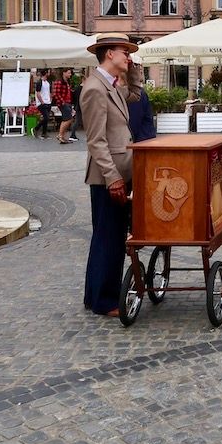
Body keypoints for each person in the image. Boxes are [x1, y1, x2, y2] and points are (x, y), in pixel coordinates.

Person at [80, 32, 143, 317]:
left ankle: (95, 295)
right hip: (109, 175)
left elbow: (134, 96)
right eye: (124, 52)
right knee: (108, 236)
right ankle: (105, 301)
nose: (128, 57)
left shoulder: (111, 86)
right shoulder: (94, 88)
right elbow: (95, 141)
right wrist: (113, 177)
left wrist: (135, 71)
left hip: (119, 171)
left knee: (110, 235)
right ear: (109, 54)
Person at [52, 68, 75, 144]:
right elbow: (56, 94)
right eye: (68, 73)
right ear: (64, 73)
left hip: (67, 102)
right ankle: (60, 135)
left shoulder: (66, 82)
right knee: (68, 119)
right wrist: (63, 102)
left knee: (68, 119)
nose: (70, 74)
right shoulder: (59, 82)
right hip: (63, 103)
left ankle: (62, 136)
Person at [35, 69, 53, 139]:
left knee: (46, 119)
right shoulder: (39, 82)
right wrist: (42, 102)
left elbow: (49, 92)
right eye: (48, 72)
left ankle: (44, 133)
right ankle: (36, 128)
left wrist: (50, 100)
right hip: (42, 103)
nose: (49, 73)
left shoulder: (48, 82)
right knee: (46, 117)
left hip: (48, 102)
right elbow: (38, 93)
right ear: (45, 73)